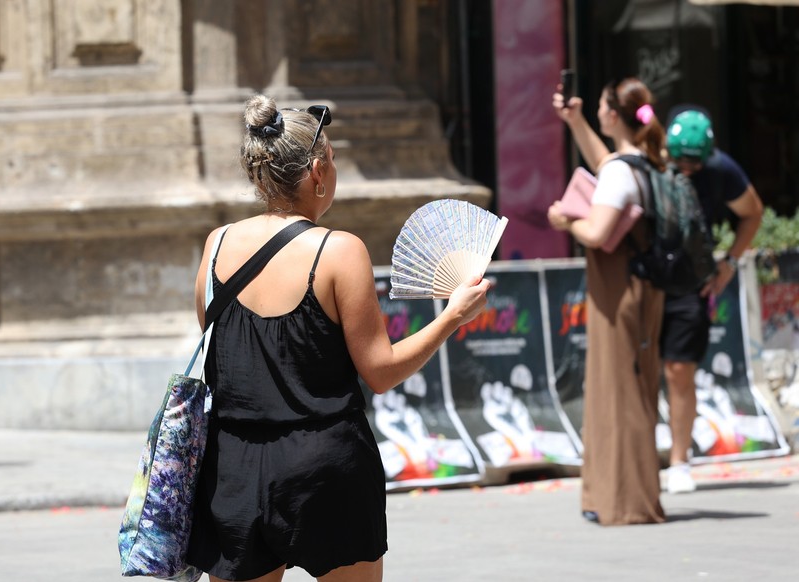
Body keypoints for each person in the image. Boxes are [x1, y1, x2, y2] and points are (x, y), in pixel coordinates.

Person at [184, 94, 491, 582]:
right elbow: (381, 370)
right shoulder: (339, 252)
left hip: (236, 463)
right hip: (325, 462)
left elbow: (216, 339)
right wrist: (451, 317)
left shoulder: (217, 242)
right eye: (333, 161)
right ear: (317, 173)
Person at [547, 77, 667, 525]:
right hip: (643, 289)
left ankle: (626, 503)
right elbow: (606, 161)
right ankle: (620, 496)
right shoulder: (649, 159)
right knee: (632, 388)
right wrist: (575, 121)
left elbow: (597, 232)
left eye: (598, 105)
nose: (597, 109)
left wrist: (565, 219)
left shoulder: (621, 171)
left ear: (613, 115)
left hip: (621, 292)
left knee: (619, 393)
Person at [661, 108, 763, 493]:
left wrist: (731, 263)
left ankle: (679, 461)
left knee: (679, 371)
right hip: (649, 280)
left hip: (692, 283)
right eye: (679, 160)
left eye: (694, 162)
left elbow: (752, 213)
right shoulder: (655, 160)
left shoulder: (722, 170)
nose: (686, 169)